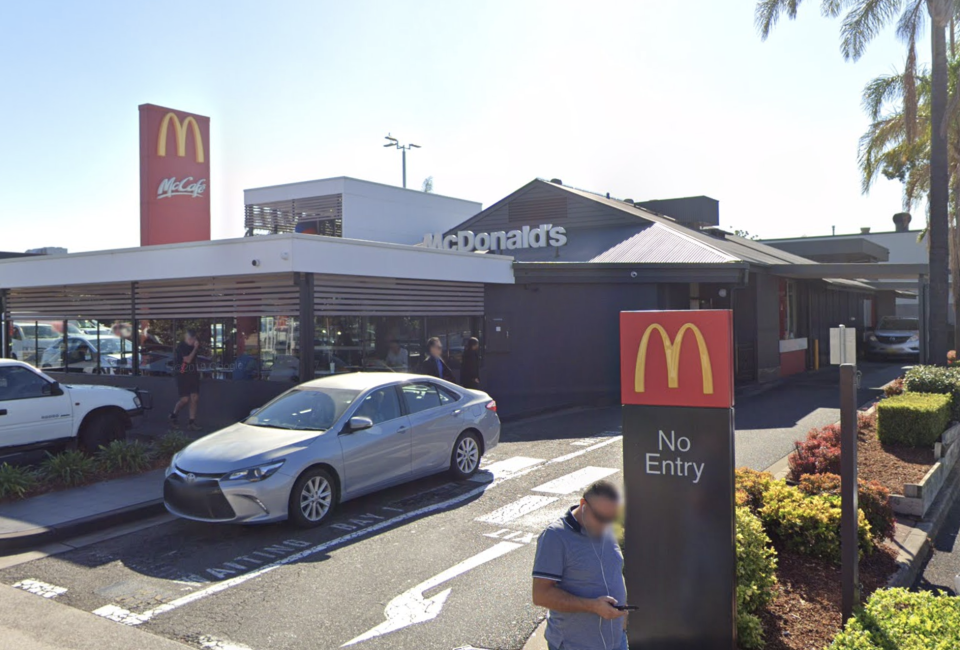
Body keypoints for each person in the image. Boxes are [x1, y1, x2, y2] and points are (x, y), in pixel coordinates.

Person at [532, 480, 628, 650]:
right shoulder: (555, 537)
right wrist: (592, 606)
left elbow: (614, 574)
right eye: (600, 517)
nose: (606, 525)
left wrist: (623, 623)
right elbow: (541, 594)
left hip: (616, 642)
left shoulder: (605, 528)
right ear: (583, 504)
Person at [169, 329, 202, 431]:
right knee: (185, 399)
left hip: (193, 374)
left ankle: (191, 422)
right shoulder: (181, 346)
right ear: (186, 338)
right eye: (190, 339)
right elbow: (187, 360)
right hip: (182, 374)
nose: (192, 341)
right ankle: (173, 415)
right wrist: (195, 348)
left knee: (194, 397)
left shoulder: (194, 346)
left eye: (193, 339)